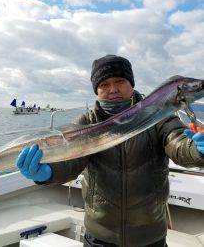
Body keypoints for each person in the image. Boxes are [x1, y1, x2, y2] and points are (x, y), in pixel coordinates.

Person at [15, 55, 204, 247]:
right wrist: (48, 173)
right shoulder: (87, 122)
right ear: (96, 90)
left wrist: (198, 150)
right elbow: (71, 161)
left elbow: (179, 144)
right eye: (104, 84)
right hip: (100, 237)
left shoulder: (158, 115)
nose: (113, 89)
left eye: (120, 81)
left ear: (131, 83)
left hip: (150, 237)